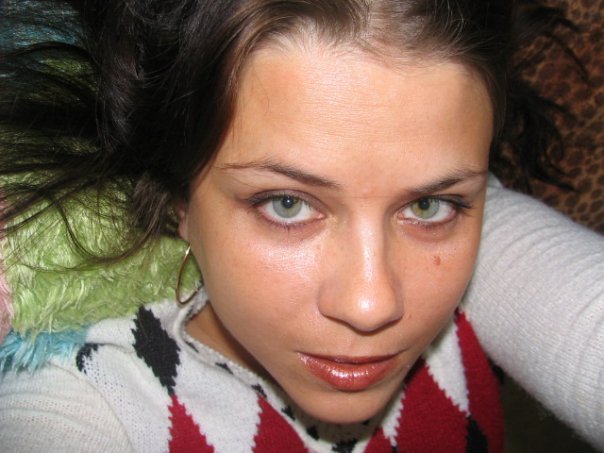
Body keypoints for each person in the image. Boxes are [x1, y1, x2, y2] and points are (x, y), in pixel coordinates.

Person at [0, 0, 602, 451]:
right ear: (178, 197)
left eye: (428, 206)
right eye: (287, 204)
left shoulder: (488, 246)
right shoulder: (91, 396)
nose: (371, 305)